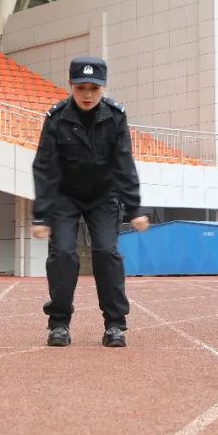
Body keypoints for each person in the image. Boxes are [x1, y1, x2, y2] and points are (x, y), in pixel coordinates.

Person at [31, 56, 149, 348]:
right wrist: (41, 215)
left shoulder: (115, 116)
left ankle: (114, 324)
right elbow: (44, 167)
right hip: (65, 196)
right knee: (64, 255)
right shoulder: (56, 118)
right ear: (71, 86)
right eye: (81, 87)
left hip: (103, 196)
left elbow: (124, 164)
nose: (87, 94)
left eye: (93, 89)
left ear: (103, 88)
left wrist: (134, 208)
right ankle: (59, 323)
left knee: (106, 252)